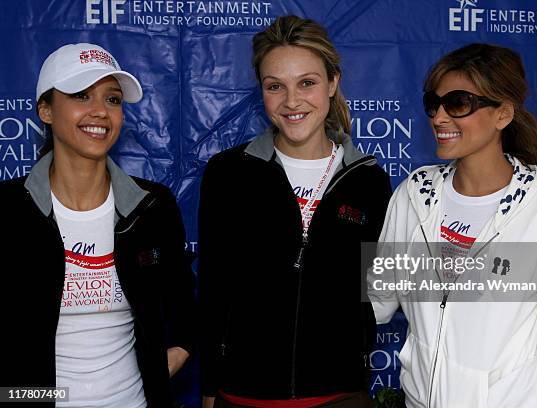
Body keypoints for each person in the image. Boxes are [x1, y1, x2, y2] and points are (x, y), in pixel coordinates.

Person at [368, 43, 537, 407]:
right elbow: (378, 301)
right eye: (434, 103)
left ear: (503, 114)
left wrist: (496, 399)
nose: (439, 117)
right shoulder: (413, 195)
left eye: (458, 103)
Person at [198, 15, 392, 408]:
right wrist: (208, 390)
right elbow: (213, 291)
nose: (292, 101)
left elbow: (378, 291)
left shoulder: (368, 180)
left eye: (307, 82)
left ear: (333, 82)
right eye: (275, 86)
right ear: (262, 92)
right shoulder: (227, 173)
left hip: (341, 396)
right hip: (242, 396)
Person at [0, 43, 195, 407]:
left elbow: (184, 305)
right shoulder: (7, 211)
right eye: (81, 95)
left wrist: (172, 354)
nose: (100, 112)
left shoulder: (152, 206)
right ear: (45, 109)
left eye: (113, 99)